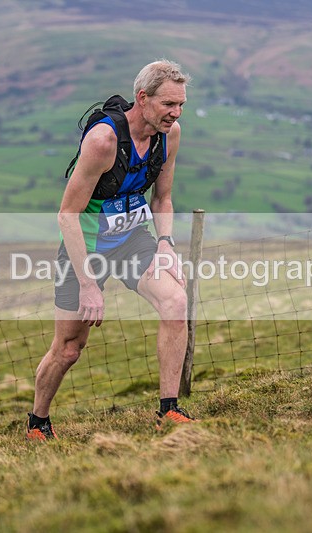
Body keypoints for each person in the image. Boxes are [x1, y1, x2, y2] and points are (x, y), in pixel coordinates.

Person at [26, 59, 197, 440]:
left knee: (175, 301)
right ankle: (38, 421)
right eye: (169, 104)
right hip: (85, 246)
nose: (176, 112)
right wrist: (88, 284)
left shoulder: (170, 135)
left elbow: (163, 198)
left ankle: (168, 410)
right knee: (69, 348)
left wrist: (166, 243)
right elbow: (67, 215)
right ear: (143, 98)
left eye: (181, 104)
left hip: (133, 238)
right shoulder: (103, 141)